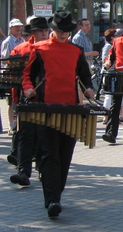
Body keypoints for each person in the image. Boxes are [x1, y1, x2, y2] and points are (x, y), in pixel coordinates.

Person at [21, 11, 95, 218]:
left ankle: (56, 193)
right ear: (52, 30)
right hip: (46, 108)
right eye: (60, 31)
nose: (63, 35)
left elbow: (86, 78)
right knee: (49, 153)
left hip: (70, 109)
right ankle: (53, 199)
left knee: (64, 156)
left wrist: (89, 89)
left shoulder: (76, 50)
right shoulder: (39, 48)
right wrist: (28, 89)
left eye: (67, 32)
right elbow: (28, 75)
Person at [8, 17, 50, 186]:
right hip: (27, 99)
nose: (44, 34)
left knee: (44, 137)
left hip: (47, 99)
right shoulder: (21, 49)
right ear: (32, 33)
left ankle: (42, 169)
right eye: (41, 31)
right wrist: (16, 101)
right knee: (26, 136)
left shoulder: (51, 49)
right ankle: (23, 172)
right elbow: (15, 77)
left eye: (46, 31)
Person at [2, 18, 25, 136]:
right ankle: (12, 125)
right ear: (11, 29)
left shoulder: (22, 40)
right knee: (11, 101)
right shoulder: (7, 42)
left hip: (21, 74)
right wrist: (15, 61)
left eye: (20, 26)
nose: (19, 29)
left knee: (20, 100)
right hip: (11, 75)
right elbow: (4, 60)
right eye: (16, 27)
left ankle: (19, 123)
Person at [100, 28, 117, 124]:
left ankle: (110, 115)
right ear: (112, 37)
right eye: (115, 36)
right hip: (108, 73)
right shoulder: (108, 46)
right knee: (108, 96)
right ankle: (105, 116)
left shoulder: (114, 46)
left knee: (111, 95)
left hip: (114, 72)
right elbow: (105, 60)